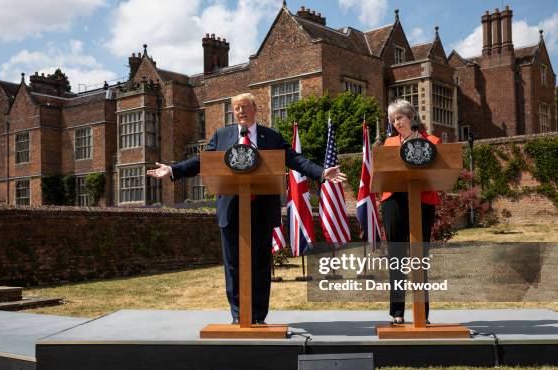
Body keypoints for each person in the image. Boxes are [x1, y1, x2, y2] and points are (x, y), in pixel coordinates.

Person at [147, 93, 345, 325]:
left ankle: (258, 318)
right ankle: (239, 317)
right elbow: (202, 161)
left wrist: (321, 172)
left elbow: (294, 159)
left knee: (260, 266)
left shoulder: (270, 136)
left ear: (255, 109)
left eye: (245, 107)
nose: (240, 111)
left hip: (261, 210)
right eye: (236, 108)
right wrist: (173, 170)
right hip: (231, 210)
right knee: (233, 266)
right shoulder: (222, 136)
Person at [380, 99, 441, 325]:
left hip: (422, 201)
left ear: (410, 117)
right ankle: (397, 312)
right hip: (394, 201)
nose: (397, 123)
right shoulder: (388, 144)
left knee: (419, 260)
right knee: (396, 257)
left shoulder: (432, 142)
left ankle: (421, 313)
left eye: (400, 118)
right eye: (393, 120)